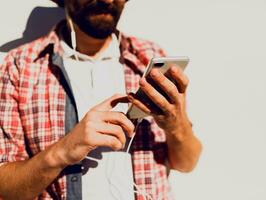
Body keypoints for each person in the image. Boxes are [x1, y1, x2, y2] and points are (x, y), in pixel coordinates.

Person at [0, 0, 202, 199]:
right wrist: (63, 150)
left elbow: (187, 163)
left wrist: (176, 125)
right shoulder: (20, 66)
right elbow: (5, 189)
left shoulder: (149, 56)